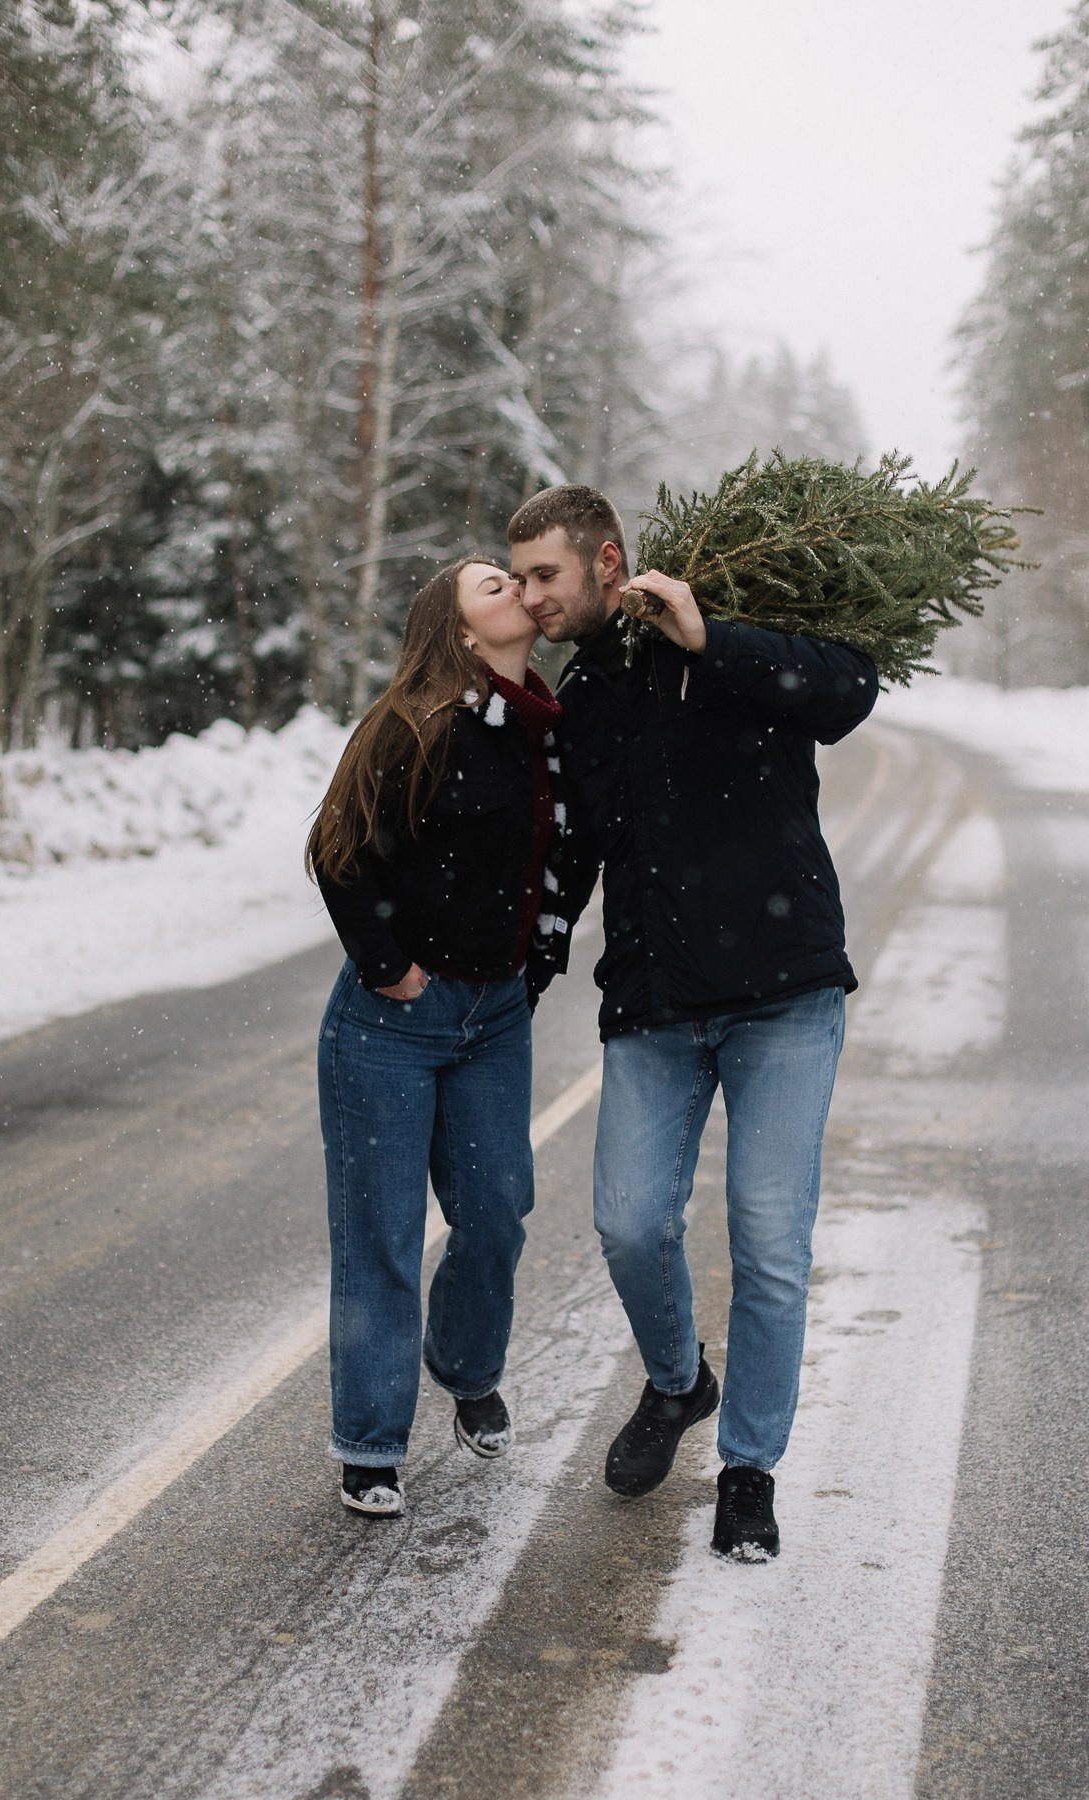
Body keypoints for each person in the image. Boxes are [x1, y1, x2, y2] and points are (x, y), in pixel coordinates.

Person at [509, 484, 877, 1560]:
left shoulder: (721, 638)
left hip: (784, 997)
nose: (531, 596)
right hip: (657, 1002)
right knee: (628, 1224)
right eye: (519, 578)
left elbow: (846, 691)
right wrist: (525, 964)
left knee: (769, 1243)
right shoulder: (586, 694)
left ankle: (751, 1470)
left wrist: (714, 635)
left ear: (606, 563)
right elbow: (575, 852)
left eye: (545, 575)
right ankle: (679, 1385)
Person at [308, 555, 567, 1517]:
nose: (517, 593)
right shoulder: (412, 729)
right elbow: (336, 850)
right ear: (458, 634)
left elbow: (559, 855)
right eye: (493, 587)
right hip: (390, 1021)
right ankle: (371, 1446)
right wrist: (386, 964)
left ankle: (465, 1365)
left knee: (498, 1207)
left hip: (493, 1015)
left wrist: (535, 960)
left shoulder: (543, 727)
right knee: (381, 1237)